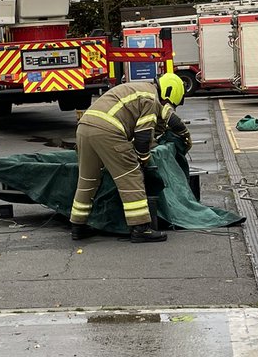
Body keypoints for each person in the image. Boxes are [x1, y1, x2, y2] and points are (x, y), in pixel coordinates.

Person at [69, 72, 186, 244]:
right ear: (170, 95)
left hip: (84, 128)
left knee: (88, 179)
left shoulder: (139, 89)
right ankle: (140, 228)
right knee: (131, 176)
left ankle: (78, 226)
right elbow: (143, 137)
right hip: (108, 131)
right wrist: (143, 160)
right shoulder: (151, 99)